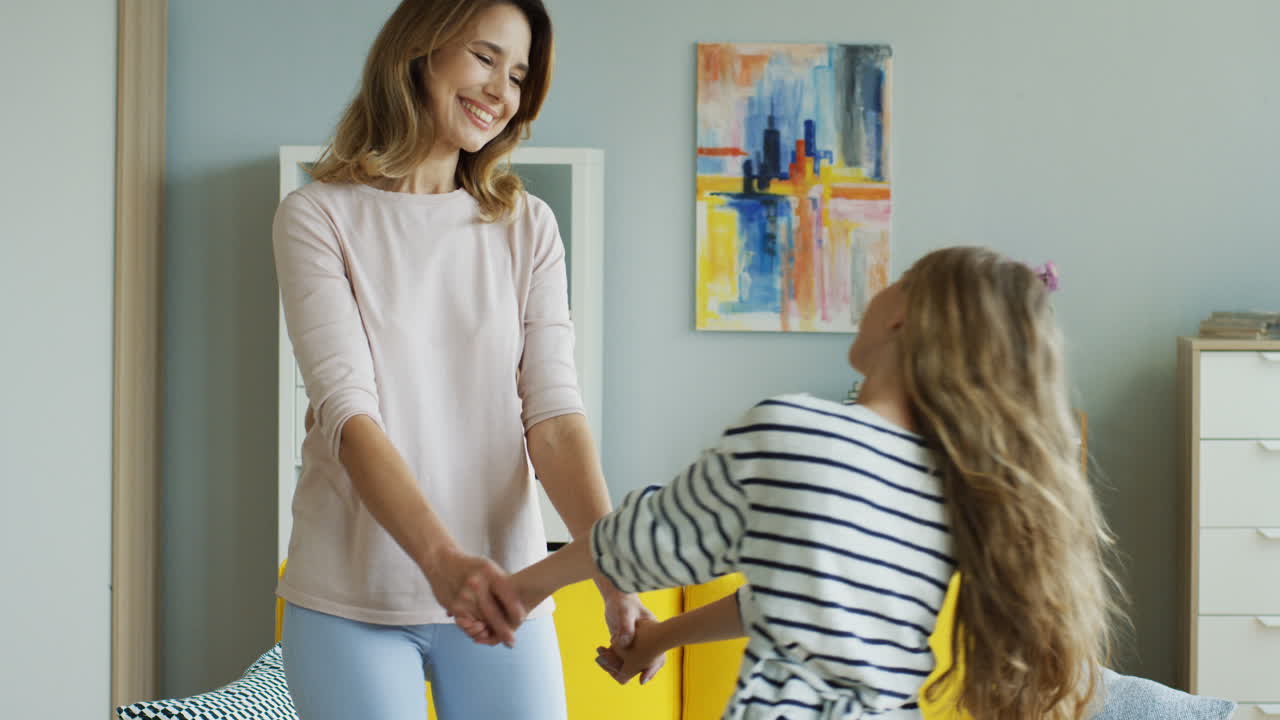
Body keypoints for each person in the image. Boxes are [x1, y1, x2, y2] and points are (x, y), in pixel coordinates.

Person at [484, 247, 1121, 719]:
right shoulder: (945, 485)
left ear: (903, 316)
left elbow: (640, 543)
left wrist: (518, 589)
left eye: (892, 282)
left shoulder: (798, 433)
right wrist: (660, 637)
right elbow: (797, 595)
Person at [271, 1, 660, 717]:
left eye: (517, 75)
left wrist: (616, 576)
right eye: (485, 57)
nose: (500, 92)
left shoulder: (527, 226)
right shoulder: (318, 215)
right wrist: (442, 563)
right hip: (351, 595)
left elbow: (555, 418)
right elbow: (349, 415)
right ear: (418, 50)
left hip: (505, 592)